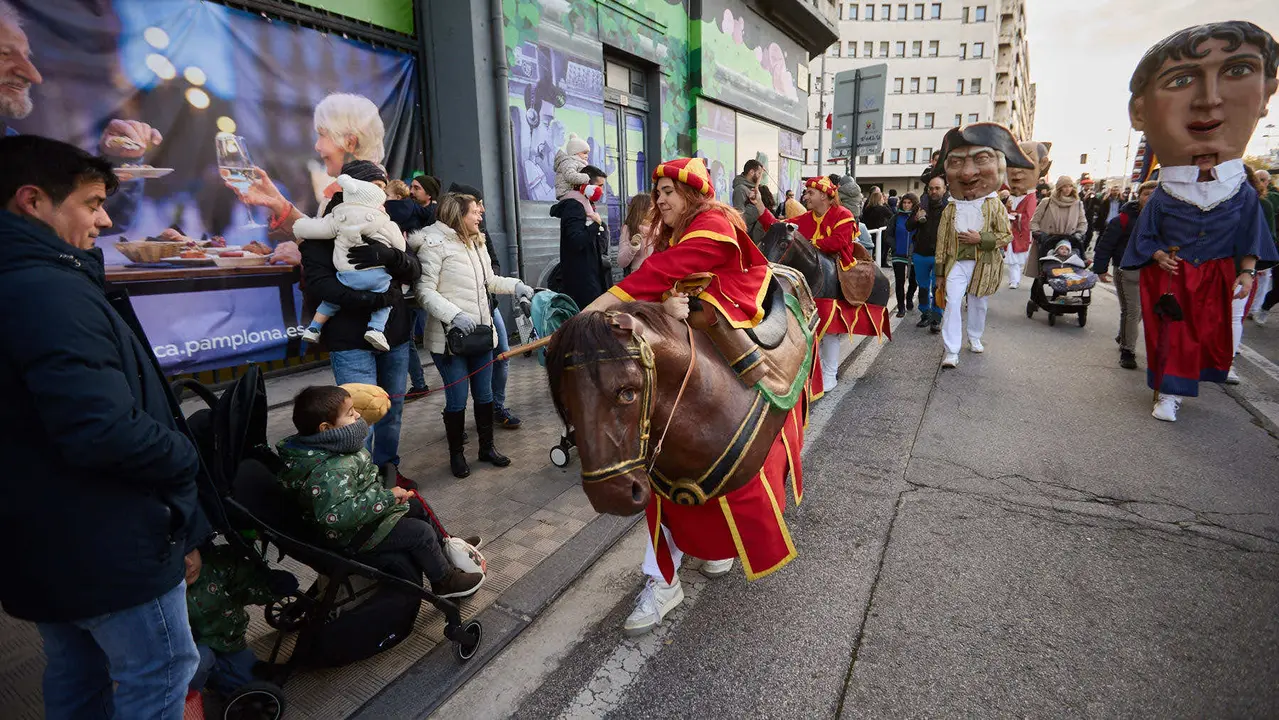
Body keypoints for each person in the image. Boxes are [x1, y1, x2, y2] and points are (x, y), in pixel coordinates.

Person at [0, 135, 205, 715]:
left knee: (77, 670)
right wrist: (185, 455)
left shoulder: (38, 282)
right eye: (91, 203)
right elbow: (104, 430)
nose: (105, 218)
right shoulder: (48, 293)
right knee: (158, 673)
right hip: (105, 541)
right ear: (32, 201)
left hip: (49, 539)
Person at [1120, 21, 1278, 422]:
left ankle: (1189, 383)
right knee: (1172, 335)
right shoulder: (1166, 193)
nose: (1209, 101)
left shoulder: (1240, 193)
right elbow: (1144, 236)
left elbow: (1251, 236)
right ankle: (1168, 393)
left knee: (1204, 336)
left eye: (1236, 71)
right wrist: (1157, 255)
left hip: (1213, 276)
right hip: (1172, 277)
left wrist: (1245, 272)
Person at [277, 386, 486, 597]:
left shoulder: (336, 448)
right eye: (350, 414)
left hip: (366, 514)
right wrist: (385, 498)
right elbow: (336, 515)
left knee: (416, 505)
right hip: (352, 535)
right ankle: (444, 581)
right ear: (326, 428)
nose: (358, 416)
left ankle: (449, 547)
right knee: (420, 533)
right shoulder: (329, 470)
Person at [291, 158, 423, 489]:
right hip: (349, 340)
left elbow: (414, 270)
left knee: (390, 409)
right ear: (355, 187)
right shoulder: (327, 229)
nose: (384, 198)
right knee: (357, 416)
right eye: (378, 188)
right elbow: (320, 285)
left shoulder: (384, 222)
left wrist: (392, 257)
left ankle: (387, 469)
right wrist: (371, 300)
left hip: (394, 335)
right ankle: (361, 483)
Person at [414, 194, 534, 477]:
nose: (480, 216)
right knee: (457, 400)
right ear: (457, 215)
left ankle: (486, 448)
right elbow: (424, 291)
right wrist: (453, 315)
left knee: (484, 395)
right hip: (449, 340)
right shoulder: (433, 244)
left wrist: (516, 285)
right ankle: (457, 455)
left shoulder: (475, 241)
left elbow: (489, 282)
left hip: (480, 335)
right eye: (475, 212)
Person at [752, 176, 890, 393]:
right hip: (811, 276)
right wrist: (759, 204)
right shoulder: (805, 218)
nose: (805, 196)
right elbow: (778, 228)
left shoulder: (843, 214)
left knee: (830, 330)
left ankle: (829, 374)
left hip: (840, 271)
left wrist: (809, 243)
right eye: (806, 193)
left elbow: (838, 242)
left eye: (810, 193)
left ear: (825, 196)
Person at [934, 123, 1035, 368]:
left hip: (984, 264)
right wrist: (939, 272)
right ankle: (951, 350)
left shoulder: (994, 205)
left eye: (981, 159)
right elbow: (942, 241)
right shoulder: (950, 208)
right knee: (953, 302)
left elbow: (1005, 235)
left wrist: (982, 239)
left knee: (979, 303)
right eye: (956, 163)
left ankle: (975, 336)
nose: (967, 173)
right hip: (955, 262)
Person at [294, 170, 407, 351]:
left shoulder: (337, 218)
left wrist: (298, 227)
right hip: (377, 277)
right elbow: (402, 248)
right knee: (387, 297)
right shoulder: (385, 222)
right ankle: (376, 329)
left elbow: (316, 228)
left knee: (330, 302)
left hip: (347, 274)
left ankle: (314, 327)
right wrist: (392, 254)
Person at [447, 182, 523, 430]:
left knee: (501, 353)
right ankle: (455, 416)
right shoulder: (436, 239)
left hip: (488, 308)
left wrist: (498, 285)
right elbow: (427, 289)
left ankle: (495, 406)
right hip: (456, 318)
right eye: (477, 206)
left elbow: (493, 270)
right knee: (458, 376)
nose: (482, 210)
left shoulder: (481, 235)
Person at [186, 544, 277, 699]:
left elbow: (246, 585)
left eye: (190, 551)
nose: (189, 563)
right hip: (188, 650)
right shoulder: (156, 593)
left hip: (226, 640)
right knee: (198, 663)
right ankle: (186, 701)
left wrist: (271, 586)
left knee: (253, 688)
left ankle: (215, 675)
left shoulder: (216, 566)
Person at [1093, 180, 1158, 370]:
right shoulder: (1122, 219)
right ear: (1139, 197)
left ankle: (1124, 335)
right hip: (1127, 269)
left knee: (1139, 311)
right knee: (1132, 310)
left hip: (1152, 271)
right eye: (1147, 194)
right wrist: (1100, 269)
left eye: (1155, 194)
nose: (1151, 197)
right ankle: (1127, 350)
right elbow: (1105, 245)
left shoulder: (1164, 220)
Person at [551, 165, 610, 311]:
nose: (602, 191)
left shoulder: (587, 205)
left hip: (591, 275)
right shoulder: (574, 206)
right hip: (582, 281)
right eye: (599, 186)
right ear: (587, 186)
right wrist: (596, 225)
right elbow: (576, 241)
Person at [1004, 140, 1050, 289]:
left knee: (1017, 257)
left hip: (1020, 232)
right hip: (1011, 231)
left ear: (1042, 164)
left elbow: (1029, 217)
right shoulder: (1010, 196)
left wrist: (1016, 216)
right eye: (1012, 163)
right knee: (1011, 257)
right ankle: (1013, 279)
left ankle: (1016, 279)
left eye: (1026, 162)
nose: (1016, 170)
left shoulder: (1031, 197)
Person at [908, 175, 949, 331]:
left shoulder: (950, 208)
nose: (934, 191)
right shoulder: (920, 206)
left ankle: (936, 319)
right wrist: (916, 219)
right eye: (931, 188)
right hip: (921, 254)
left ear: (944, 189)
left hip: (940, 256)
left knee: (938, 288)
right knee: (923, 286)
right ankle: (925, 313)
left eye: (937, 188)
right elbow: (908, 226)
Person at [1030, 176, 1088, 257]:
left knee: (1068, 269)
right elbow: (1034, 221)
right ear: (1059, 188)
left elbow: (1082, 223)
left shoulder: (1077, 204)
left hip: (1068, 245)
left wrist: (1079, 234)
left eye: (1070, 186)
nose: (1068, 189)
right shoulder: (1046, 202)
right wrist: (1040, 235)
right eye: (1065, 186)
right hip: (1048, 244)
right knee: (1046, 268)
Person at [884, 192, 919, 316]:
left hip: (914, 253)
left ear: (914, 204)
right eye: (904, 202)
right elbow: (888, 234)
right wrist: (894, 247)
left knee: (914, 281)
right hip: (898, 254)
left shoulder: (918, 217)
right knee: (899, 282)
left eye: (909, 203)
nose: (906, 205)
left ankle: (909, 298)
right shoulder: (896, 217)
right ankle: (901, 307)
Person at [617, 192, 654, 275]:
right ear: (641, 209)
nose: (655, 209)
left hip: (660, 278)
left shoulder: (662, 227)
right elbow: (621, 262)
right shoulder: (629, 228)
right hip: (639, 278)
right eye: (651, 206)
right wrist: (633, 247)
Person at [731, 158, 766, 241]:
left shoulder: (752, 188)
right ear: (751, 172)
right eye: (759, 173)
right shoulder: (740, 189)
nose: (760, 176)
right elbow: (739, 216)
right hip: (750, 238)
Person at [861, 188, 895, 266]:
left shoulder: (867, 208)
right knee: (883, 248)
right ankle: (882, 262)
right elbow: (892, 215)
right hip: (880, 231)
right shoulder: (882, 208)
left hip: (869, 230)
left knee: (872, 248)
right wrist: (885, 204)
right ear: (879, 199)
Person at [554, 133, 591, 199]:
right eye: (584, 153)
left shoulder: (578, 162)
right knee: (585, 201)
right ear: (575, 152)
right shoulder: (569, 162)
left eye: (587, 153)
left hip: (572, 192)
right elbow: (570, 176)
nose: (587, 156)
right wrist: (587, 177)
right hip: (566, 192)